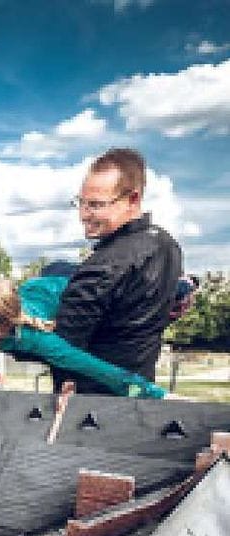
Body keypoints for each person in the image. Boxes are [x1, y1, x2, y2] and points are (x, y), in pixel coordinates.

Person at [54, 148, 181, 394]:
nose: (83, 215)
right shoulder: (167, 245)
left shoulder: (103, 266)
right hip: (139, 394)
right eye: (81, 202)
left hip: (91, 405)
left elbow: (62, 349)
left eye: (96, 205)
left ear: (132, 199)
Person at [0, 275, 166, 398]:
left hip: (75, 289)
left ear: (3, 323)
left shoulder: (38, 339)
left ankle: (181, 287)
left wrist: (149, 392)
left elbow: (94, 368)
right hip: (42, 283)